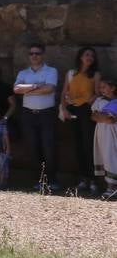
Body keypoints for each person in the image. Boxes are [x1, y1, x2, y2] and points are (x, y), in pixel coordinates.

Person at [13, 42, 59, 191]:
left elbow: (50, 89)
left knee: (48, 147)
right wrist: (36, 86)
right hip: (28, 114)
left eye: (37, 53)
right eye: (31, 53)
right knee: (33, 148)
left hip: (46, 114)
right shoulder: (23, 73)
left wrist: (27, 89)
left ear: (43, 55)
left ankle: (52, 181)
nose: (34, 56)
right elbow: (16, 89)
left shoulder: (51, 71)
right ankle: (39, 180)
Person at [60, 46, 102, 194]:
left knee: (88, 145)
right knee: (77, 145)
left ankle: (94, 180)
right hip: (73, 111)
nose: (89, 58)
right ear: (80, 57)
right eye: (87, 55)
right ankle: (83, 178)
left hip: (87, 111)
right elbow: (65, 92)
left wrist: (85, 101)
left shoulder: (95, 75)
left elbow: (97, 93)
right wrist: (64, 108)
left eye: (92, 55)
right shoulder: (71, 74)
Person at [91, 78, 117, 200]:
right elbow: (94, 116)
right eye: (100, 87)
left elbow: (111, 119)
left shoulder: (115, 102)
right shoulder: (99, 101)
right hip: (102, 132)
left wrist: (103, 117)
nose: (102, 90)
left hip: (113, 132)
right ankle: (110, 186)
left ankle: (112, 187)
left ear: (113, 88)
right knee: (106, 156)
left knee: (112, 156)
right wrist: (103, 118)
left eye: (104, 87)